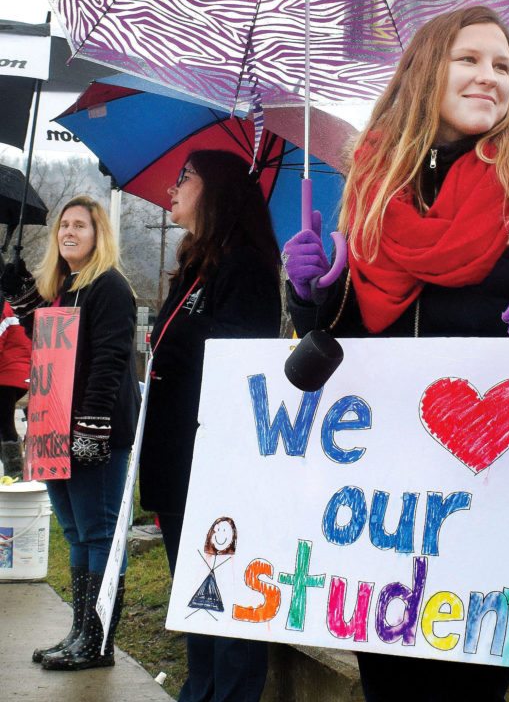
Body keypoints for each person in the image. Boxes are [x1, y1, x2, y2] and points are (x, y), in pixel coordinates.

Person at [282, 6, 509, 701]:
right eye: (469, 60)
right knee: (388, 680)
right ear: (425, 72)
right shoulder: (371, 198)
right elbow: (342, 336)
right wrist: (309, 289)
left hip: (494, 489)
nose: (490, 76)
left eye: (502, 65)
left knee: (470, 686)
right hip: (387, 501)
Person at [138, 150, 282, 702]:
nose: (172, 188)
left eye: (185, 177)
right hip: (177, 461)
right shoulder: (195, 267)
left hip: (217, 465)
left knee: (224, 593)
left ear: (218, 189)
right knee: (193, 596)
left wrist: (175, 345)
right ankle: (199, 691)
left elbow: (244, 356)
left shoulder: (245, 267)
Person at [0, 196, 139, 671]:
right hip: (52, 427)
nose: (69, 233)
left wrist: (91, 427)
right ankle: (80, 632)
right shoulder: (59, 289)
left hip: (94, 430)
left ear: (99, 235)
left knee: (99, 532)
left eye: (80, 225)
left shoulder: (109, 287)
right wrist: (16, 284)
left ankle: (98, 642)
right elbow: (33, 331)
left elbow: (110, 360)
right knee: (76, 533)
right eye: (64, 226)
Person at [0, 295, 31, 479]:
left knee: (5, 425)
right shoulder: (23, 305)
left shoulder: (5, 307)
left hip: (6, 376)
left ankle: (15, 473)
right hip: (23, 374)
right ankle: (16, 472)